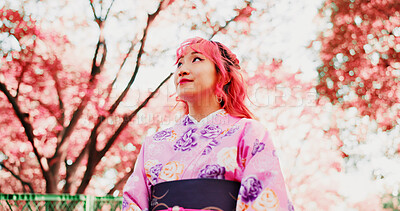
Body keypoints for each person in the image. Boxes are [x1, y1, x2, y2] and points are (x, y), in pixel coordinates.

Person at [123, 37, 294, 211]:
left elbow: (266, 201)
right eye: (180, 64)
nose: (182, 70)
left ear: (223, 75)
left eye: (196, 59)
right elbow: (132, 204)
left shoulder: (248, 132)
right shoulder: (153, 144)